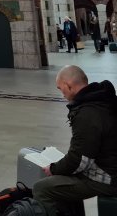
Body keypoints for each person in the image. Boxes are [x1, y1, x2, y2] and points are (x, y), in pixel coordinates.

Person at [33, 65, 117, 215]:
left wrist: (53, 168)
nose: (62, 93)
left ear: (68, 85)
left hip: (108, 178)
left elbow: (80, 160)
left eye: (60, 88)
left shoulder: (87, 113)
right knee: (65, 179)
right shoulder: (103, 100)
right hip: (111, 167)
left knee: (42, 188)